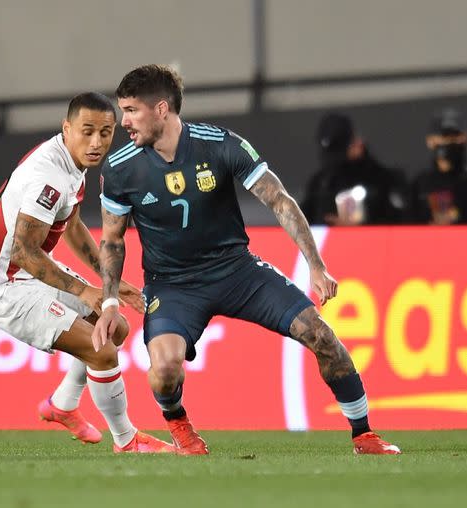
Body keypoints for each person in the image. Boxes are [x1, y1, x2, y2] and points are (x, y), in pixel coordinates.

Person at [93, 64, 400, 456]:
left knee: (322, 336)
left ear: (162, 109)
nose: (124, 122)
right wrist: (109, 302)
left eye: (132, 110)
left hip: (237, 271)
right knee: (165, 370)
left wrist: (315, 264)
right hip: (173, 285)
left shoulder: (220, 144)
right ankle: (183, 432)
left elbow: (279, 200)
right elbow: (113, 240)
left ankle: (364, 435)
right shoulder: (121, 168)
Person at [0, 92, 174, 454]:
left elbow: (73, 226)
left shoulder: (69, 162)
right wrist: (85, 290)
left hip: (30, 273)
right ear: (67, 129)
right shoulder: (47, 178)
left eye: (105, 133)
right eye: (87, 132)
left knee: (116, 327)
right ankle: (127, 441)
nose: (96, 143)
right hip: (5, 287)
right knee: (103, 351)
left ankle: (62, 404)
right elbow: (24, 251)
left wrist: (108, 280)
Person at [300, 112, 409, 226]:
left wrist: (357, 230)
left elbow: (401, 226)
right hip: (329, 243)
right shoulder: (319, 185)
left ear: (357, 143)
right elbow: (302, 228)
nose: (334, 162)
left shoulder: (386, 181)